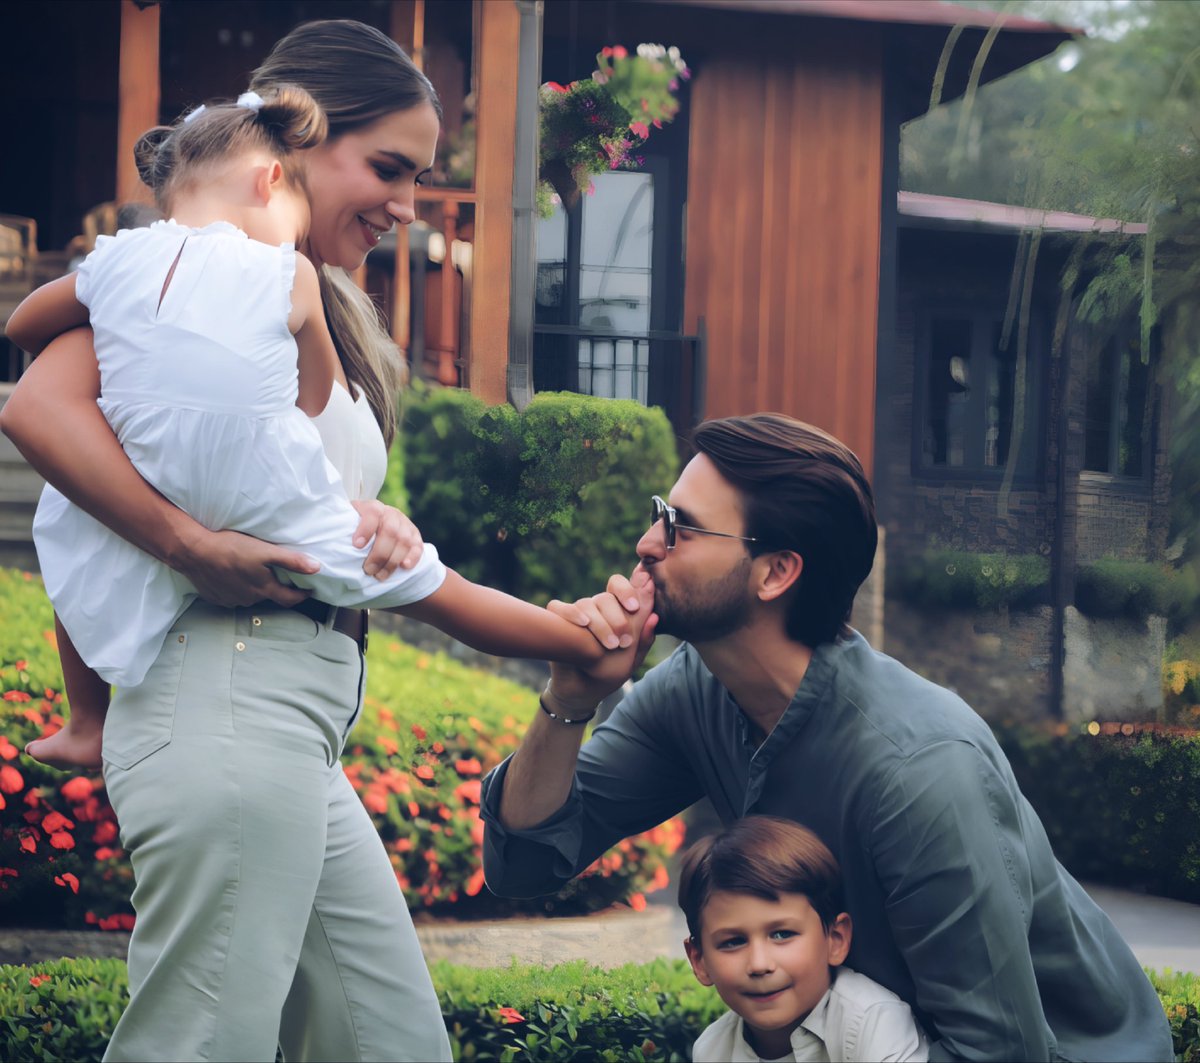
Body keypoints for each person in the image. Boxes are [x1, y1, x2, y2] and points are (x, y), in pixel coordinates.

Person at [2, 20, 617, 1063]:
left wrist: (378, 515)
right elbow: (36, 411)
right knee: (200, 1044)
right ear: (286, 155)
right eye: (387, 167)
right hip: (223, 693)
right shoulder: (184, 284)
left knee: (388, 1043)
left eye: (421, 177)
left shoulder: (307, 296)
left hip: (290, 726)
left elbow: (300, 487)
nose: (408, 205)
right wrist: (190, 543)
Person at [481, 412, 1175, 1062]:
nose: (647, 543)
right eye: (660, 515)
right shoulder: (695, 690)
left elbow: (996, 1052)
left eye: (681, 527)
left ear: (776, 571)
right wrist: (570, 700)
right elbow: (524, 864)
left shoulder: (921, 768)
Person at [8, 86, 607, 772]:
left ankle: (87, 721)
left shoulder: (116, 262)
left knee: (74, 528)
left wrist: (122, 334)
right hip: (263, 508)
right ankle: (581, 642)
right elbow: (313, 394)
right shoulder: (286, 271)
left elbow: (22, 325)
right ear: (270, 181)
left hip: (152, 483)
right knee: (440, 591)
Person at [679, 815, 928, 1063]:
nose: (759, 964)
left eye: (782, 934)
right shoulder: (712, 1050)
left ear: (835, 938)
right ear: (699, 960)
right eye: (733, 942)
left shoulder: (873, 1024)